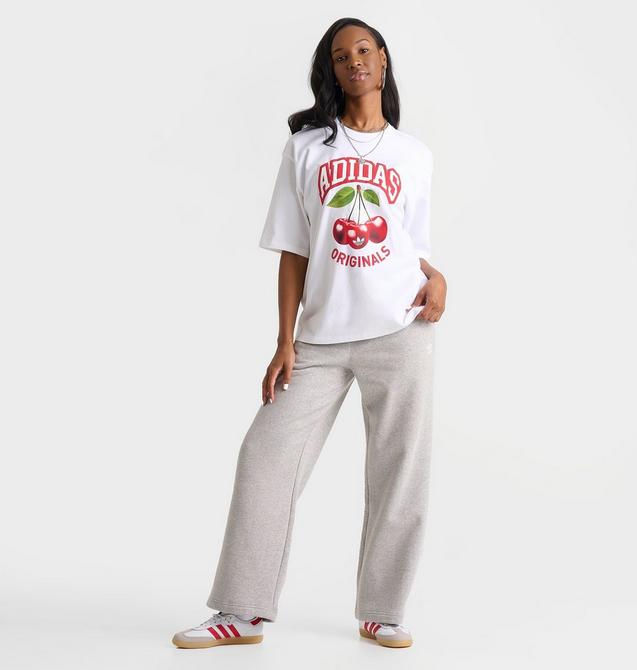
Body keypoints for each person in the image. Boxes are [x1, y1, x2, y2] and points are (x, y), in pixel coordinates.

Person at [172, 17, 447, 651]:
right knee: (264, 458)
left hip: (401, 331)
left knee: (400, 473)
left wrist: (438, 278)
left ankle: (382, 611)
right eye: (341, 56)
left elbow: (414, 248)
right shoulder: (306, 148)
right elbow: (294, 249)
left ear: (383, 60)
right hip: (321, 337)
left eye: (364, 50)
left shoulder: (414, 155)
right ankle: (242, 612)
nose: (354, 62)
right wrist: (284, 340)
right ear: (331, 70)